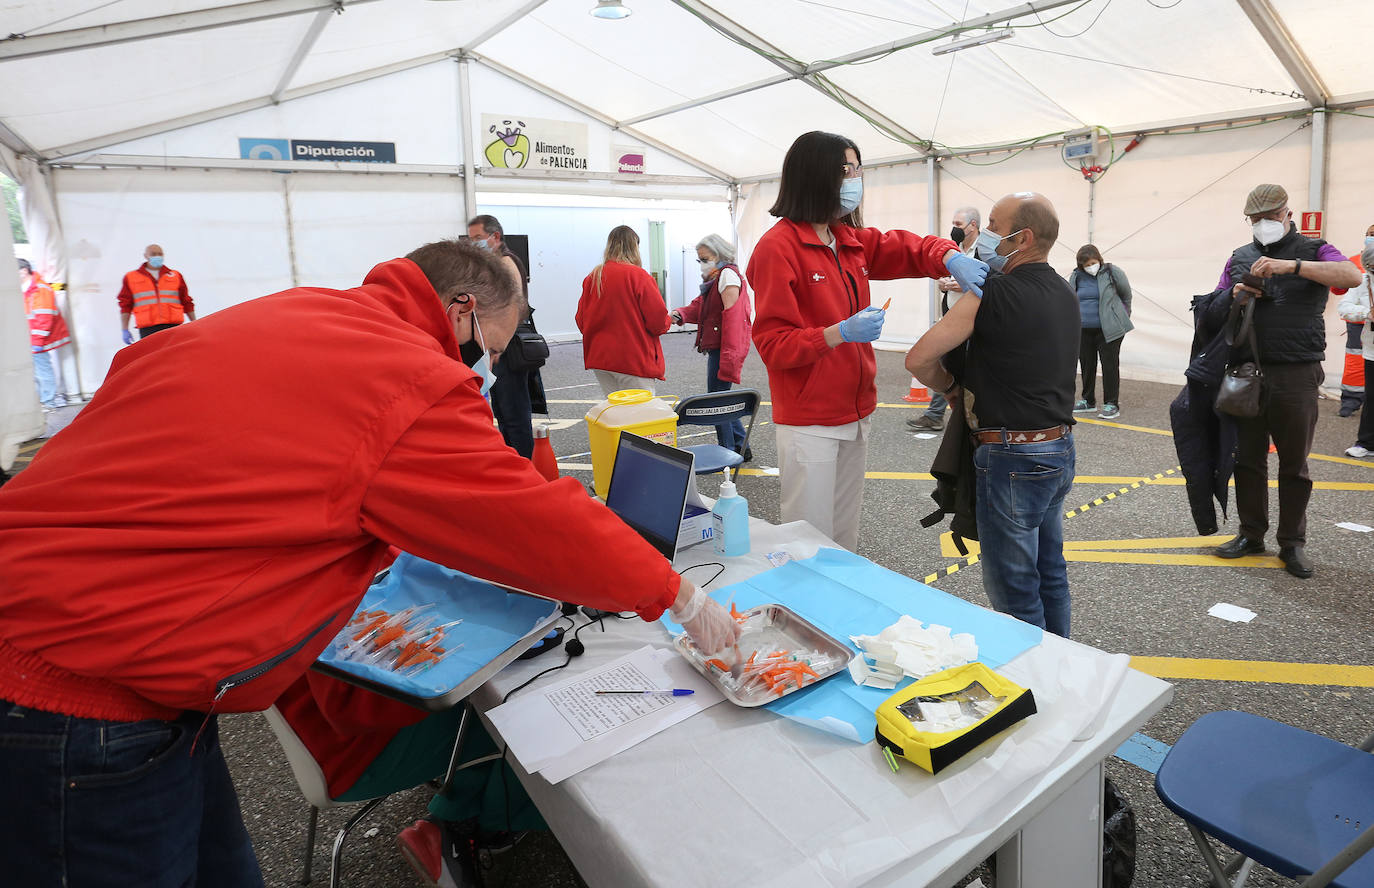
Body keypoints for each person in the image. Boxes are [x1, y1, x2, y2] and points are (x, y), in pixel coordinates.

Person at [0, 240, 739, 888]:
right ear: (461, 308)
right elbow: (533, 518)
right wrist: (676, 594)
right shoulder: (402, 374)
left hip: (125, 671)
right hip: (72, 693)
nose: (481, 367)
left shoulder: (303, 313)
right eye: (487, 345)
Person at [747, 131, 985, 552]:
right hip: (810, 421)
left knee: (843, 537)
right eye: (849, 169)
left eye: (858, 169)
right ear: (818, 175)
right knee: (807, 540)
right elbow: (773, 345)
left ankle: (836, 616)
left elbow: (908, 246)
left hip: (854, 412)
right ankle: (806, 615)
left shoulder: (846, 239)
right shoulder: (777, 248)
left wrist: (949, 255)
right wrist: (838, 333)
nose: (856, 178)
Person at [906, 192, 1079, 637]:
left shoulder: (989, 294)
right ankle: (1062, 665)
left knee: (1014, 587)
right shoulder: (1065, 290)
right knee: (1050, 571)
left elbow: (919, 359)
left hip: (1011, 457)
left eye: (994, 226)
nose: (983, 235)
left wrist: (949, 388)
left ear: (1022, 238)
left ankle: (1032, 686)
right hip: (1059, 448)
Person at [1205, 184, 1360, 579]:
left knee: (1294, 464)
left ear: (1288, 214)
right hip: (1248, 373)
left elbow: (1351, 275)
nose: (1263, 225)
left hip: (1297, 373)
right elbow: (1214, 306)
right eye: (1255, 219)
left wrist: (1290, 266)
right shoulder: (1239, 257)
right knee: (1248, 461)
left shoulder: (1315, 249)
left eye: (1271, 217)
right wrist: (1235, 296)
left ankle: (1292, 544)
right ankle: (1251, 534)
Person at [467, 214, 548, 459]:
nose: (473, 244)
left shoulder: (506, 263)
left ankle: (524, 469)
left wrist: (496, 348)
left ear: (496, 237)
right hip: (498, 348)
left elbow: (514, 308)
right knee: (503, 412)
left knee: (514, 415)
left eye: (478, 238)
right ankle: (514, 464)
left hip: (507, 349)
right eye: (470, 239)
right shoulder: (494, 265)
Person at [671, 233, 754, 459]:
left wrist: (729, 358)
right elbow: (701, 307)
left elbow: (734, 321)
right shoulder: (717, 278)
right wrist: (680, 314)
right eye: (700, 259)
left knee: (717, 402)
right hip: (720, 347)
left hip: (724, 348)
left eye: (705, 258)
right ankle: (741, 446)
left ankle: (727, 451)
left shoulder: (727, 276)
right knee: (721, 398)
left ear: (719, 255)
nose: (702, 264)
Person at [908, 206, 984, 433]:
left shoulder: (982, 252)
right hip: (951, 316)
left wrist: (962, 285)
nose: (954, 229)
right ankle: (940, 414)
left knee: (952, 366)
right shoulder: (956, 250)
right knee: (946, 364)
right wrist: (945, 286)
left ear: (973, 225)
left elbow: (987, 284)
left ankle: (945, 415)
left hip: (970, 322)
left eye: (959, 225)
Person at [576, 226, 672, 397]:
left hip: (601, 359)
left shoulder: (593, 277)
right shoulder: (639, 276)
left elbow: (581, 320)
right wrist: (669, 321)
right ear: (635, 247)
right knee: (639, 416)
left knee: (616, 414)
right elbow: (657, 323)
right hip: (633, 360)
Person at [1066, 244, 1134, 419]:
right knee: (1087, 366)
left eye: (1093, 262)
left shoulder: (1112, 272)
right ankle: (1088, 401)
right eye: (1086, 264)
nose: (1091, 267)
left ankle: (1112, 404)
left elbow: (1126, 295)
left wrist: (1123, 316)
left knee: (1110, 366)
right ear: (1081, 265)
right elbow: (1069, 298)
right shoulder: (1076, 276)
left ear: (1099, 260)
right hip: (1083, 329)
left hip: (1109, 330)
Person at [1337, 242, 1374, 458]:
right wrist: (1367, 312)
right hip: (1371, 349)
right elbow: (1344, 307)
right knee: (1372, 397)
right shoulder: (1363, 281)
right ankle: (1366, 443)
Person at [19, 258, 71, 410]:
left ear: (23, 271)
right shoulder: (27, 289)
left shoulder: (40, 290)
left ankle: (48, 401)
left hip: (37, 338)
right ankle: (45, 400)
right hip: (31, 338)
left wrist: (37, 341)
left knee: (43, 370)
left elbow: (44, 318)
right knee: (37, 371)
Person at [118, 243, 195, 342]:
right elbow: (125, 305)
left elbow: (186, 301)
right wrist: (124, 329)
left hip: (174, 326)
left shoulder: (175, 276)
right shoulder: (131, 277)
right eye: (153, 254)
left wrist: (194, 322)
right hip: (148, 329)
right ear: (146, 256)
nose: (157, 256)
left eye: (160, 254)